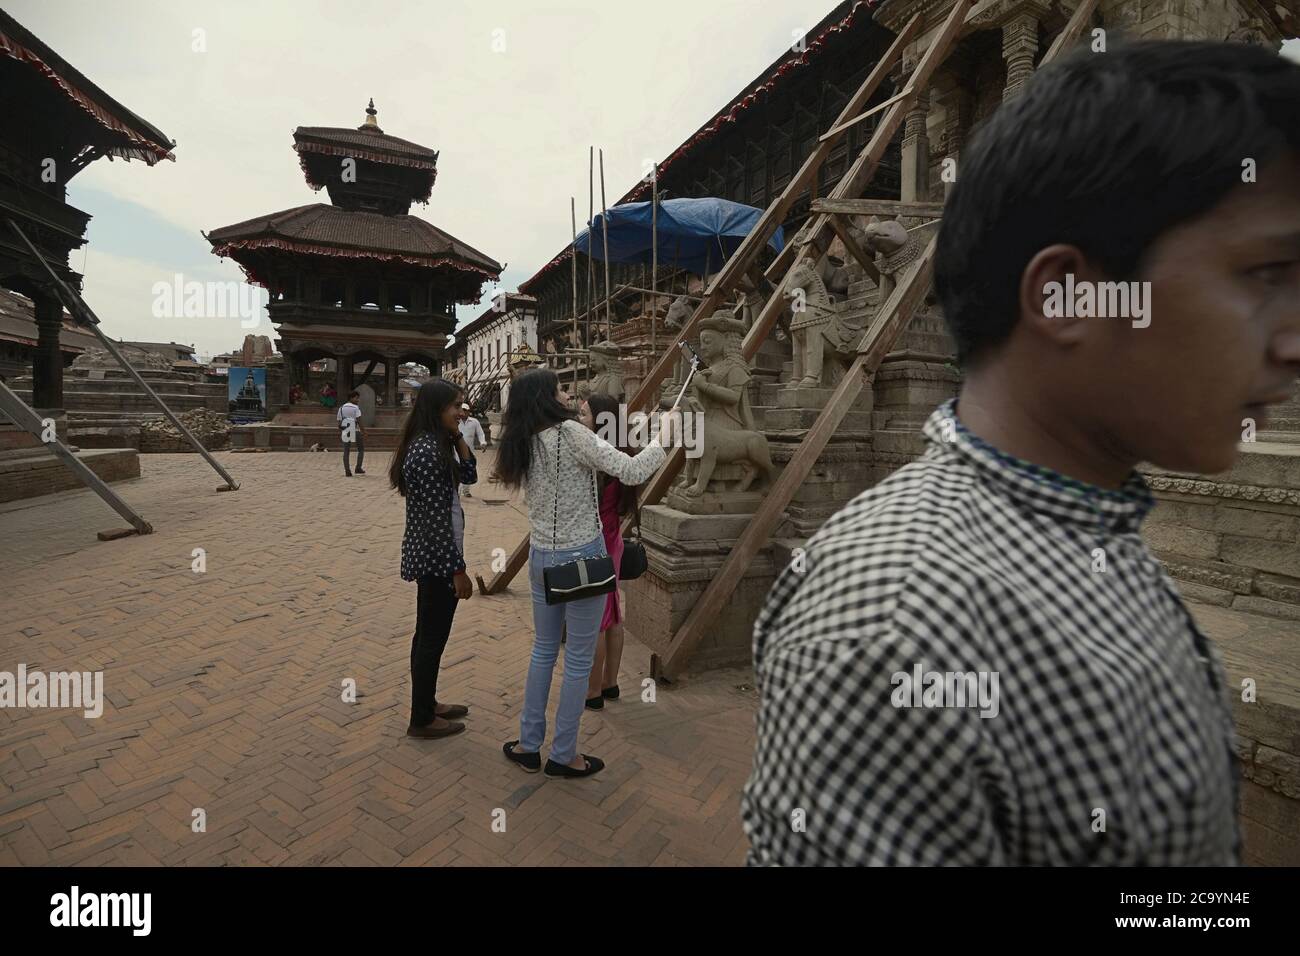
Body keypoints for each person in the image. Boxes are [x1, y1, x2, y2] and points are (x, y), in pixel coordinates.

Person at [742, 40, 1300, 865]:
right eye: (1262, 274)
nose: (1290, 339)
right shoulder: (894, 626)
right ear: (1068, 295)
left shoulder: (1091, 529)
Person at [495, 368, 670, 778]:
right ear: (544, 397)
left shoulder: (524, 440)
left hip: (542, 556)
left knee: (543, 652)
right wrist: (664, 438)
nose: (567, 395)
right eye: (559, 389)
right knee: (576, 660)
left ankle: (528, 743)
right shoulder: (570, 434)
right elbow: (630, 470)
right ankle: (564, 753)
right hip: (582, 558)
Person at [390, 378, 477, 739]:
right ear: (435, 409)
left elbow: (470, 473)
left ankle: (427, 703)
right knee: (430, 637)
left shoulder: (437, 444)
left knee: (429, 634)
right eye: (455, 406)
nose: (461, 412)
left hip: (436, 553)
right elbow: (434, 520)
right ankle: (421, 718)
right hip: (436, 557)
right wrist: (457, 570)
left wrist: (457, 435)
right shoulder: (425, 452)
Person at [578, 392, 639, 710]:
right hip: (612, 540)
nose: (580, 419)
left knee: (597, 621)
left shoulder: (598, 459)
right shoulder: (622, 454)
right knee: (613, 613)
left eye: (585, 414)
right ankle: (610, 682)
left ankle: (592, 691)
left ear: (602, 420)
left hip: (595, 544)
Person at [457, 403, 487, 497]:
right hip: (456, 450)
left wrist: (483, 442)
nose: (463, 412)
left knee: (468, 468)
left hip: (469, 451)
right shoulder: (456, 421)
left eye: (465, 410)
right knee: (457, 469)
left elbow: (480, 433)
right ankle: (457, 490)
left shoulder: (474, 422)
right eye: (462, 410)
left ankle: (466, 491)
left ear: (468, 411)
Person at [337, 390, 364, 477]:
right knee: (360, 449)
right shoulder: (356, 408)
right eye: (356, 398)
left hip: (346, 429)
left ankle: (347, 471)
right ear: (351, 398)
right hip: (355, 429)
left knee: (346, 451)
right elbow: (359, 421)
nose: (358, 400)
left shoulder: (341, 408)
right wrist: (364, 431)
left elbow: (339, 423)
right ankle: (358, 468)